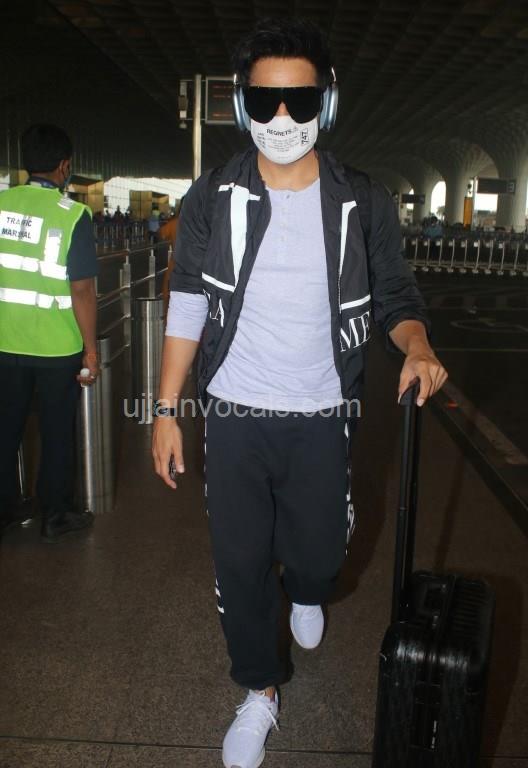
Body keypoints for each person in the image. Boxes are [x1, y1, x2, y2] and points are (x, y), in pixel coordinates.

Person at [152, 18, 448, 768]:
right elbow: (187, 300)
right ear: (243, 104)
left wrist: (416, 346)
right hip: (235, 411)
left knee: (317, 557)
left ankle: (311, 587)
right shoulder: (214, 196)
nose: (282, 118)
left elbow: (396, 295)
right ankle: (259, 690)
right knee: (240, 562)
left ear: (327, 103)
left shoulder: (361, 201)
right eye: (265, 101)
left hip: (322, 412)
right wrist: (166, 409)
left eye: (300, 100)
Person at [0, 124, 99, 543]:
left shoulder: (2, 204)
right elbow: (82, 289)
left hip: (4, 340)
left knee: (5, 428)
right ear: (64, 166)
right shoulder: (73, 215)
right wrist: (90, 349)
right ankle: (55, 514)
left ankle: (6, 509)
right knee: (57, 431)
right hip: (57, 347)